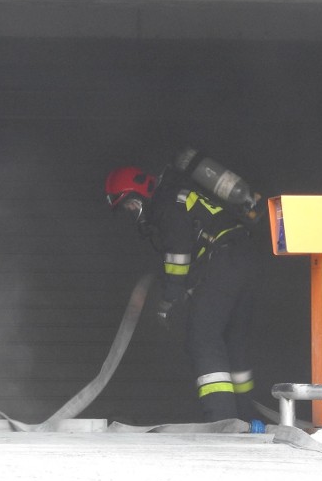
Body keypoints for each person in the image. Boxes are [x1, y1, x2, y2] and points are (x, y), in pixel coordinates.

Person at [105, 155, 262, 423]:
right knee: (233, 340)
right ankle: (247, 416)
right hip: (242, 259)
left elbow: (178, 255)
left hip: (223, 262)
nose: (132, 212)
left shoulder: (166, 203)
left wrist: (170, 299)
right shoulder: (180, 195)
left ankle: (222, 420)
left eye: (131, 204)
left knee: (202, 338)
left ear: (142, 191)